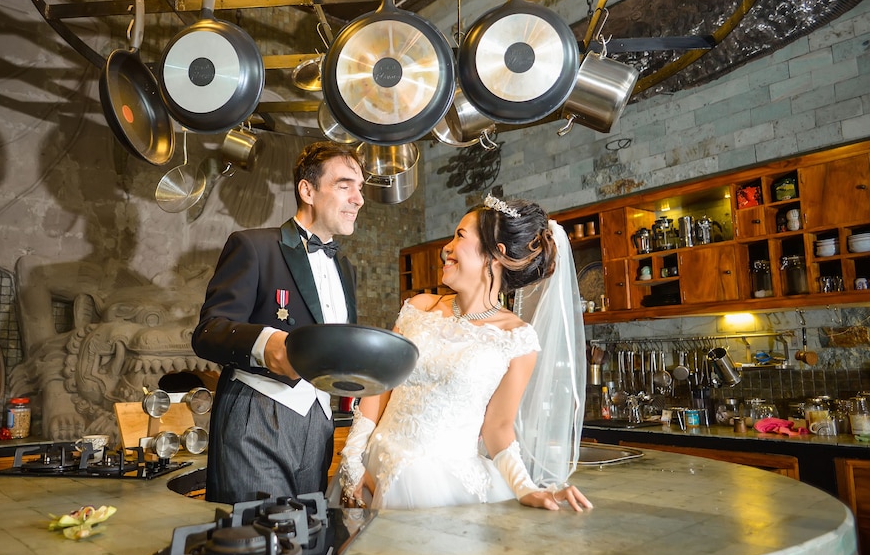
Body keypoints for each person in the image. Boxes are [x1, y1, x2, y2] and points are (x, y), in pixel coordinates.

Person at [338, 194, 592, 511]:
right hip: (373, 466)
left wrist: (526, 488)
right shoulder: (418, 308)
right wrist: (352, 459)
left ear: (495, 254)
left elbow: (498, 427)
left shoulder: (517, 339)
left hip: (441, 485)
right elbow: (378, 387)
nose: (447, 248)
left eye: (459, 236)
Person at [192, 142, 364, 504]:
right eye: (344, 185)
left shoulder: (345, 269)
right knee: (258, 532)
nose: (358, 199)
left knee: (307, 529)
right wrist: (265, 343)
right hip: (257, 411)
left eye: (360, 188)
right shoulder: (253, 246)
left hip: (320, 418)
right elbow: (208, 331)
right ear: (307, 190)